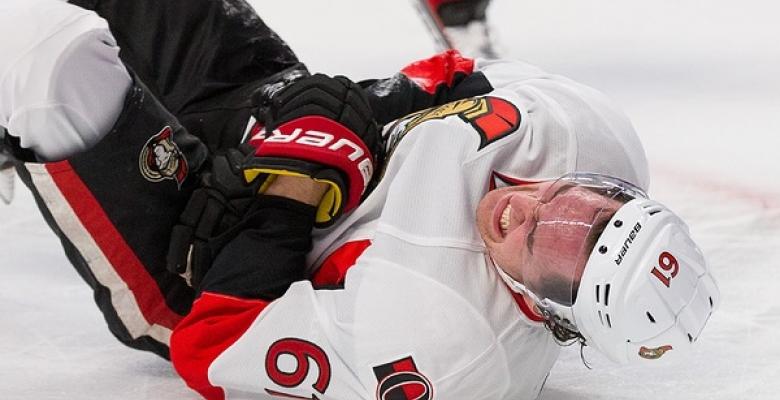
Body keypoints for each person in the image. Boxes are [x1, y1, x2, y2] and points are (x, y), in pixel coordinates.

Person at [0, 1, 719, 399]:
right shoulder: (586, 132)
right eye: (586, 208)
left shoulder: (450, 351)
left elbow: (210, 346)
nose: (533, 214)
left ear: (557, 318)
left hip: (195, 250)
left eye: (554, 253)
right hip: (261, 111)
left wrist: (286, 195)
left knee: (39, 54)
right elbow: (453, 76)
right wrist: (351, 111)